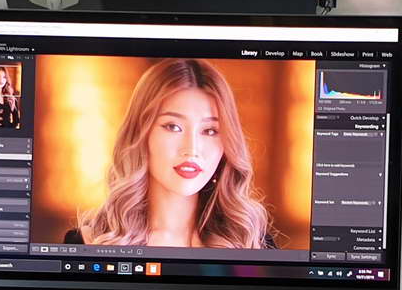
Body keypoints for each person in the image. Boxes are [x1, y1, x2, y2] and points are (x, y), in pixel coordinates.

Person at [65, 58, 276, 249]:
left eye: (210, 131)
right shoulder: (90, 243)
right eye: (173, 127)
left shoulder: (252, 244)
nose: (192, 149)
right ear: (141, 133)